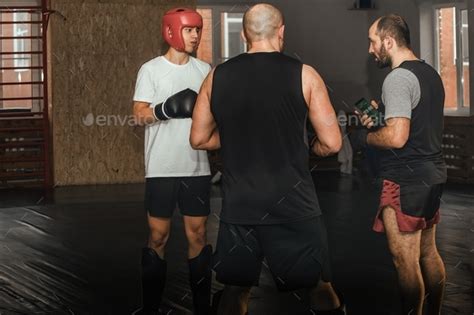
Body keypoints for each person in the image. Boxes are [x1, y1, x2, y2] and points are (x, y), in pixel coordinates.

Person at [190, 3, 345, 315]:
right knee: (319, 286)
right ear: (282, 31)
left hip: (241, 206)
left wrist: (236, 138)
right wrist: (306, 148)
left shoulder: (216, 76)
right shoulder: (305, 75)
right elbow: (331, 143)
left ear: (244, 34)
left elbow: (199, 139)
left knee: (235, 289)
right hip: (293, 204)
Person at [352, 14, 447, 315]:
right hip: (432, 175)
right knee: (428, 253)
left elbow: (396, 138)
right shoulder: (429, 73)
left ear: (388, 41)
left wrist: (362, 138)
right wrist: (380, 117)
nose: (370, 49)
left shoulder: (397, 78)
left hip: (406, 181)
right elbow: (414, 124)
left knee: (404, 260)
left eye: (372, 41)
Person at [132, 8, 212, 315]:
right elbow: (138, 115)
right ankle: (151, 307)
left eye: (197, 29)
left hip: (196, 167)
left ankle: (203, 308)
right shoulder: (150, 70)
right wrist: (165, 109)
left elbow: (214, 114)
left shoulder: (204, 69)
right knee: (158, 236)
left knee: (199, 236)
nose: (195, 35)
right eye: (189, 30)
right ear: (171, 31)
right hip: (161, 167)